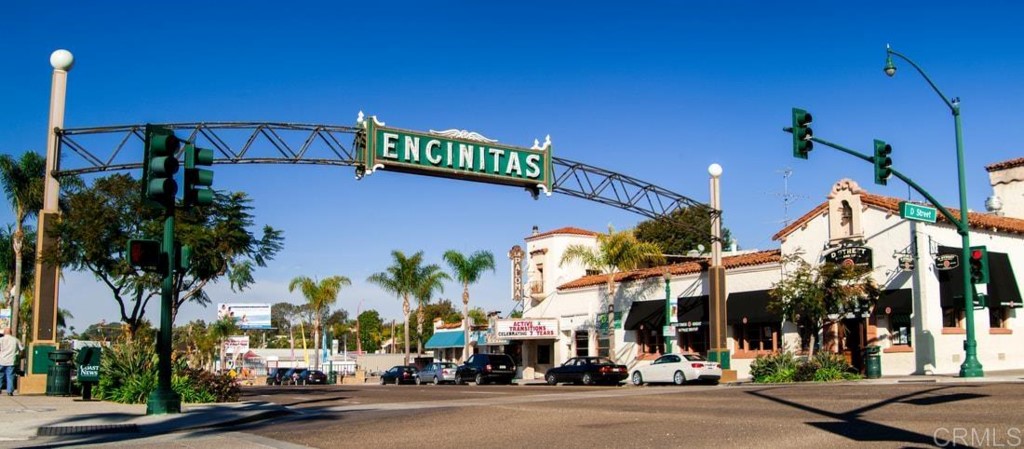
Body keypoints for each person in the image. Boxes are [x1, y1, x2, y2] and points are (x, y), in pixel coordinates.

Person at [0, 327, 23, 396]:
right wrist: (20, 356)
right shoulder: (15, 340)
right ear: (11, 332)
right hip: (11, 361)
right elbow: (22, 349)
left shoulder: (1, 340)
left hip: (1, 360)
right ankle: (10, 391)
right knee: (10, 376)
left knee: (0, 375)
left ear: (4, 333)